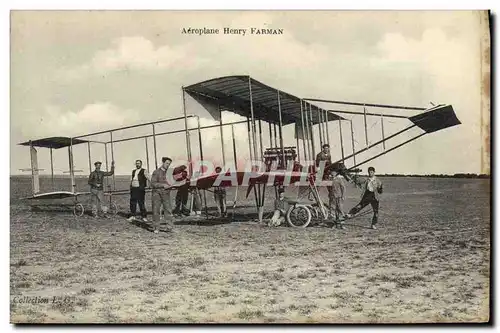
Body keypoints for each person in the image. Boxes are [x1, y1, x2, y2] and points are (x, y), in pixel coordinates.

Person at [150, 157, 174, 234]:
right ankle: (156, 228)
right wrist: (162, 185)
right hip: (156, 194)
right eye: (167, 163)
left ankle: (169, 227)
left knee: (168, 210)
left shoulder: (169, 173)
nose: (168, 165)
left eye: (169, 164)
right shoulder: (156, 172)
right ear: (163, 162)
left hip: (166, 194)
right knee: (156, 210)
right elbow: (153, 183)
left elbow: (171, 182)